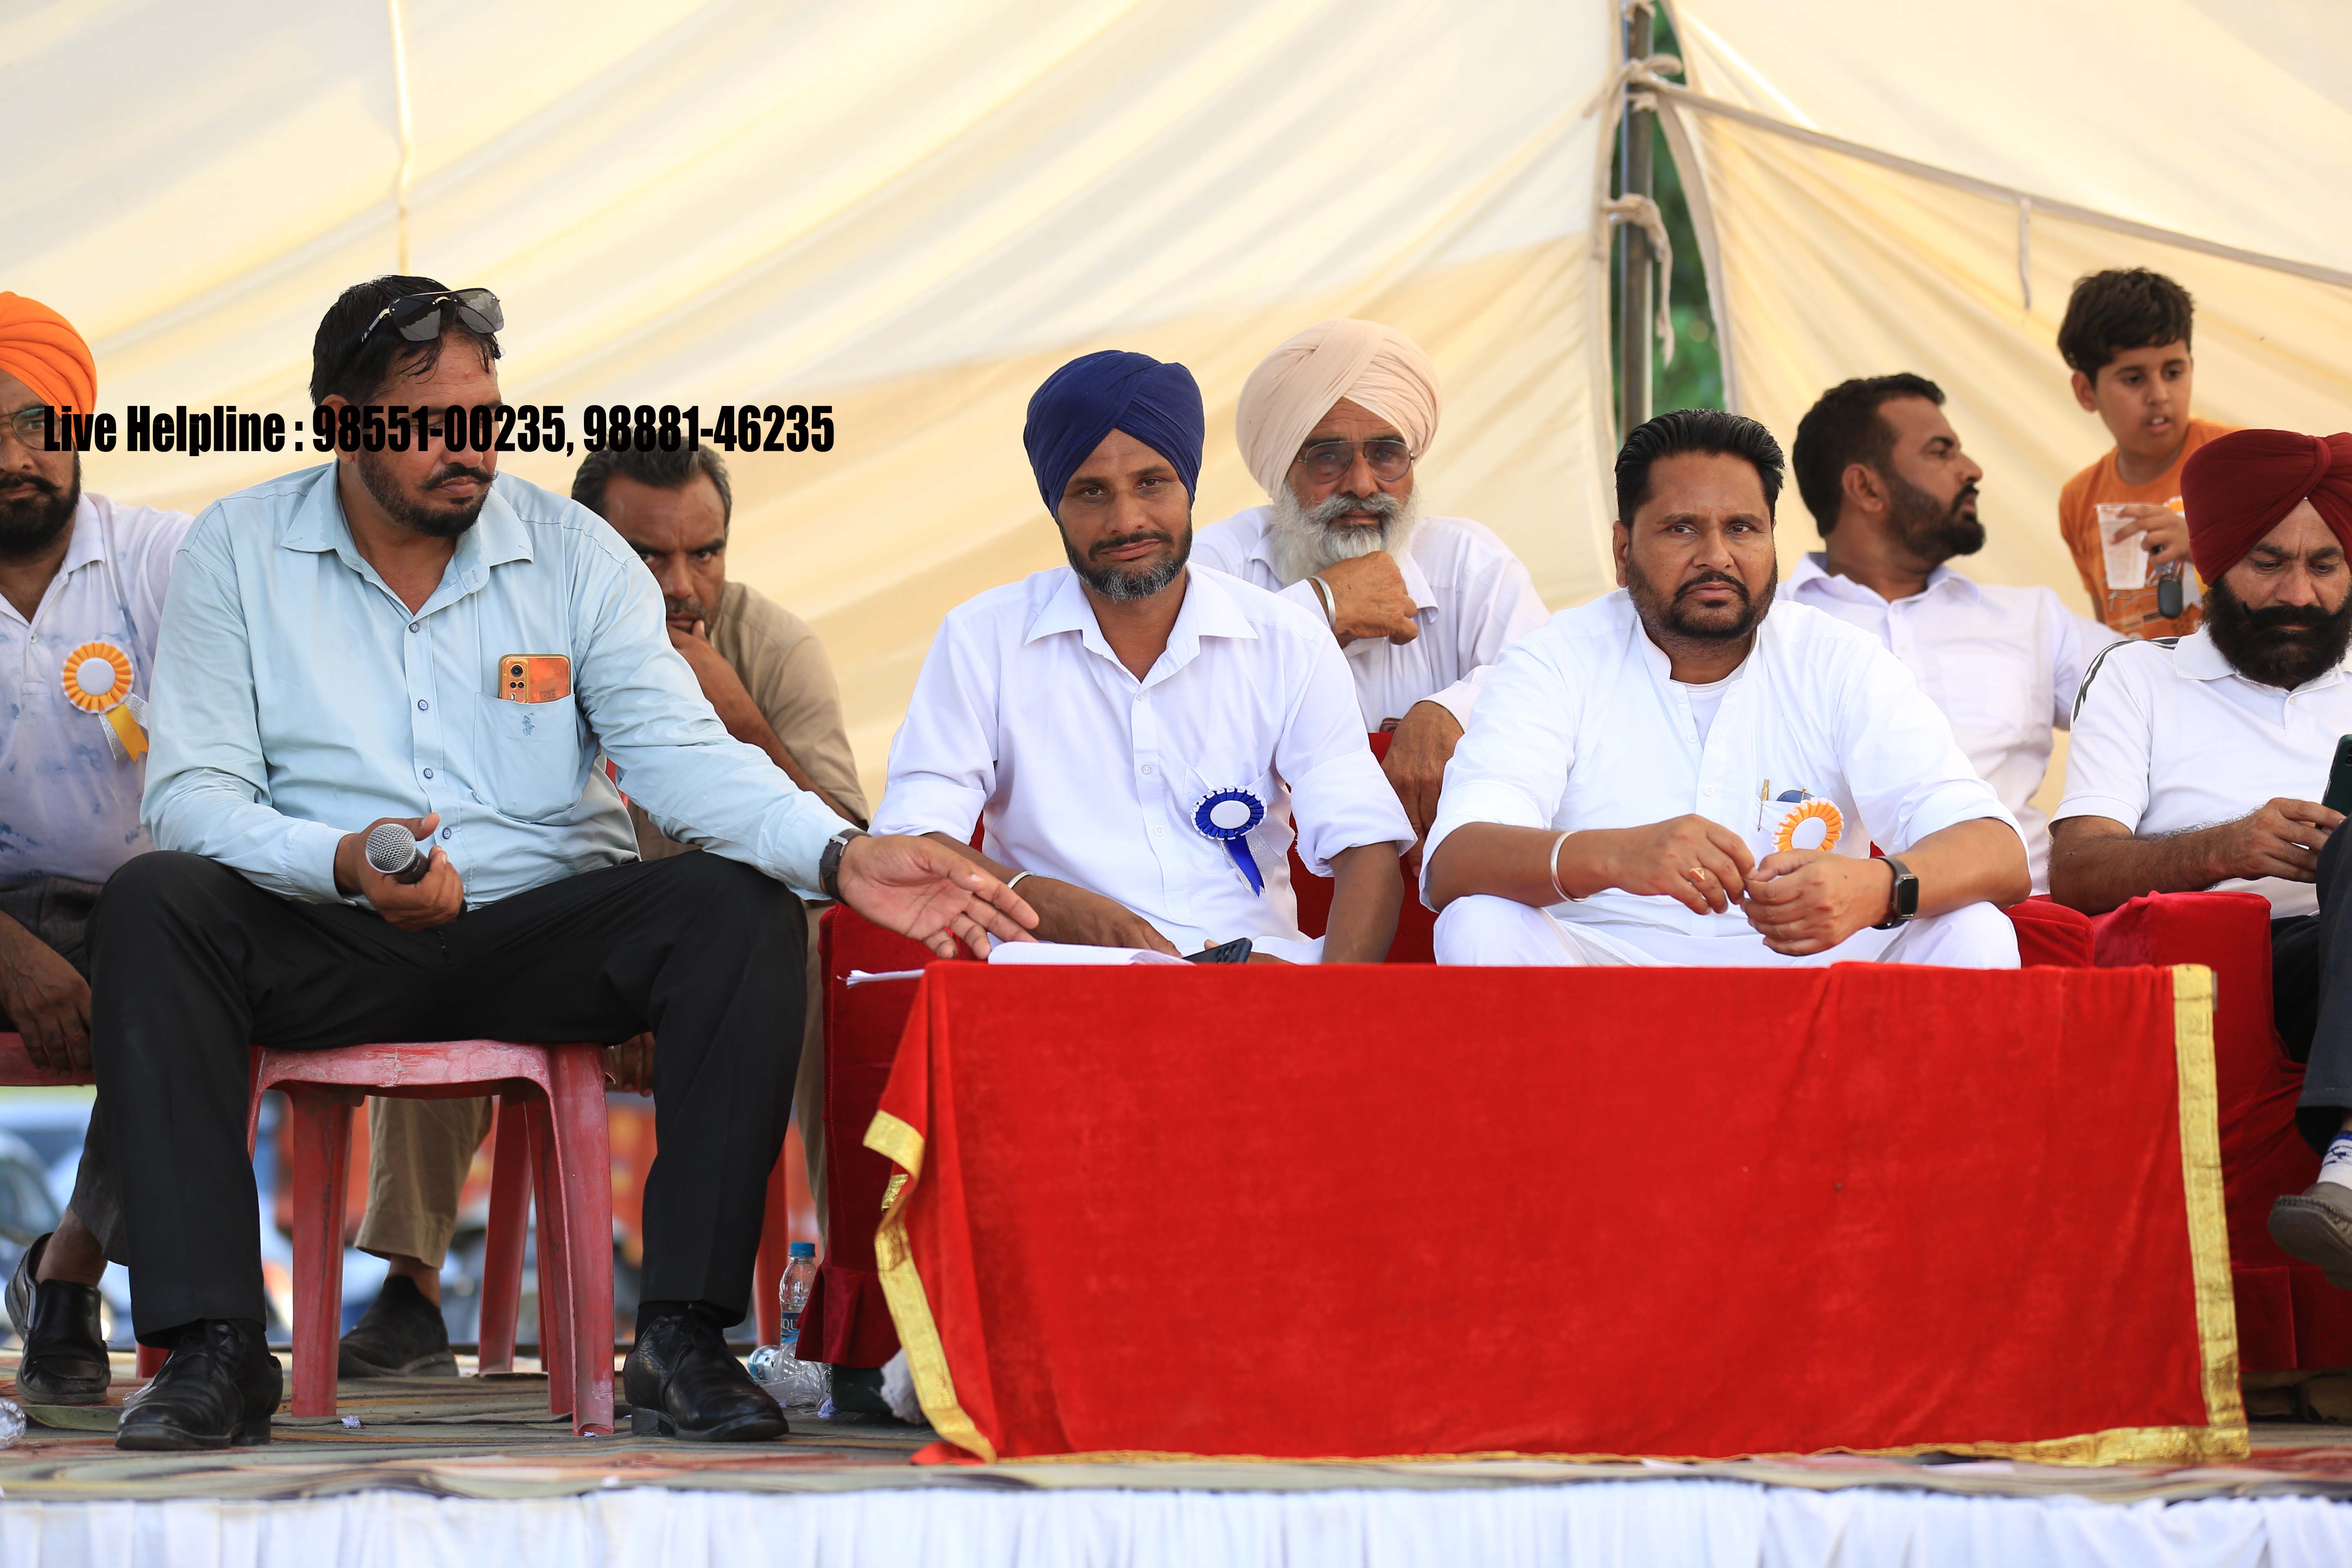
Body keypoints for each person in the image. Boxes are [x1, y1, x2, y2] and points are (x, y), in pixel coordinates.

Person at [91, 276, 1033, 1451]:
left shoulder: (572, 552)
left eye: (485, 419)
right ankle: (217, 1347)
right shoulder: (238, 550)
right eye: (431, 423)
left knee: (738, 907)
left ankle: (682, 1336)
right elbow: (191, 798)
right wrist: (341, 860)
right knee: (152, 902)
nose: (469, 450)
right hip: (327, 927)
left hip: (537, 932)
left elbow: (679, 756)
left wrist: (841, 853)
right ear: (342, 421)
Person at [338, 443, 867, 1381]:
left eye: (705, 553)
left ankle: (853, 1286)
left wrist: (737, 719)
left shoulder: (773, 646)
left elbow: (844, 854)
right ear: (586, 544)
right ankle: (411, 1287)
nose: (680, 585)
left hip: (724, 960)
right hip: (564, 935)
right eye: (647, 556)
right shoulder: (522, 631)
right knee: (444, 920)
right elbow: (465, 822)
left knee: (832, 953)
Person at [1423, 409, 2029, 968]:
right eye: (1682, 529)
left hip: (1816, 973)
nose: (1717, 557)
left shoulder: (1839, 660)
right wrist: (1615, 856)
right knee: (1478, 922)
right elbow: (1455, 860)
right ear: (1623, 549)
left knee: (1975, 928)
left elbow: (1999, 852)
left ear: (1772, 539)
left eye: (1742, 528)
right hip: (1604, 978)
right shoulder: (1555, 660)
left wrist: (1880, 886)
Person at [873, 350, 1412, 964]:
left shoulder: (1288, 641)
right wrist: (1042, 900)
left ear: (1189, 487)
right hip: (1062, 983)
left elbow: (1366, 844)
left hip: (1258, 980)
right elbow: (912, 836)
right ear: (1055, 506)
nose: (1126, 520)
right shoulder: (982, 639)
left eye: (1152, 484)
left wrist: (1324, 1001)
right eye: (1091, 492)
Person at [2041, 430, 2352, 1276]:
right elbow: (2078, 870)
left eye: (2325, 565)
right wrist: (2229, 847)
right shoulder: (2139, 678)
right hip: (2266, 960)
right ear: (2214, 564)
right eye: (2268, 563)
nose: (2298, 593)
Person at [0, 294, 193, 1405]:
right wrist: (11, 954)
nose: (14, 458)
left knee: (182, 956)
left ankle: (67, 1269)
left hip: (141, 914)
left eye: (38, 424)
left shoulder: (162, 558)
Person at [1191, 321, 1546, 855]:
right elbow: (1176, 695)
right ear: (1282, 470)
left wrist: (1450, 711)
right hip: (1261, 881)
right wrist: (1319, 606)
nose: (1361, 484)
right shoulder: (1220, 563)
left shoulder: (1469, 563)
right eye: (1327, 457)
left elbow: (1548, 686)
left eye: (1385, 454)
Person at [1787, 374, 2115, 892]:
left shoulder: (2032, 619)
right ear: (1867, 488)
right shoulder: (1768, 634)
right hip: (1825, 918)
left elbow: (2169, 697)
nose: (1972, 470)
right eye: (1941, 452)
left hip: (2024, 916)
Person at [2054, 268, 2233, 640]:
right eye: (2134, 379)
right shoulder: (2078, 500)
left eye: (2173, 372)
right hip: (2140, 677)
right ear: (2086, 391)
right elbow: (2108, 629)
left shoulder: (2240, 460)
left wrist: (2200, 548)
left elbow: (2297, 584)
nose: (2160, 396)